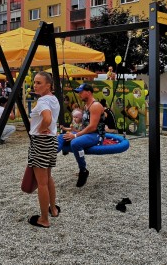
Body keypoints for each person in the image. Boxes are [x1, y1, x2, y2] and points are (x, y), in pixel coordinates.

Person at [27, 71, 60, 228]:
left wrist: (40, 128)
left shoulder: (42, 102)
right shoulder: (54, 100)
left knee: (42, 183)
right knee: (48, 178)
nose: (35, 85)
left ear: (48, 85)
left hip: (40, 142)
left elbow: (47, 118)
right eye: (34, 82)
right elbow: (49, 119)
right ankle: (53, 209)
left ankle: (44, 219)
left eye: (39, 82)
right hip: (51, 141)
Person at [62, 83, 105, 187]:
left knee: (75, 143)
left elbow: (93, 127)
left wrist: (76, 135)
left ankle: (83, 170)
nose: (79, 94)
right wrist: (73, 131)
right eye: (78, 92)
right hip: (87, 133)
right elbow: (84, 125)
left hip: (96, 135)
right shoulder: (86, 106)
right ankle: (50, 159)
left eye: (81, 92)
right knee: (62, 136)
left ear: (89, 92)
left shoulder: (95, 106)